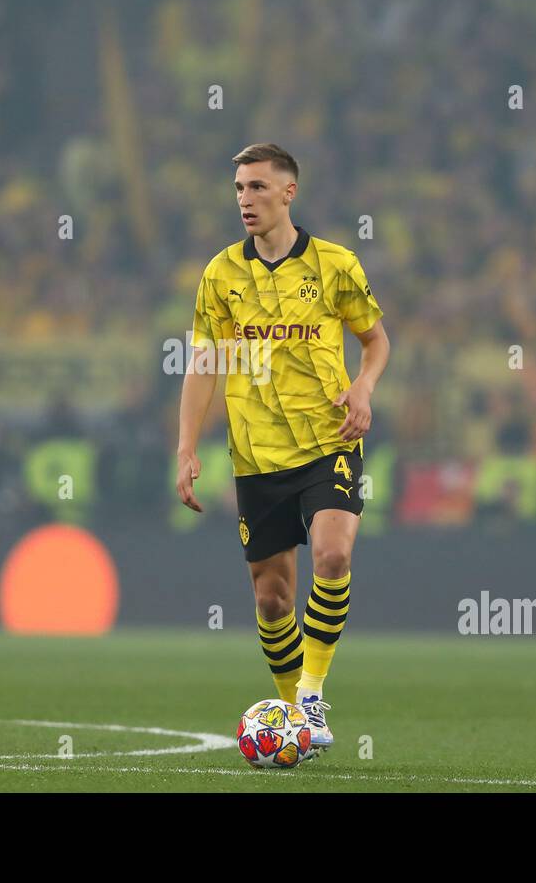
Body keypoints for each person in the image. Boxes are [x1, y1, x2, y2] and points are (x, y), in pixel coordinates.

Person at [174, 143, 391, 759]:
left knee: (332, 556)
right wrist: (187, 446)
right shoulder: (220, 275)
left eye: (258, 187)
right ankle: (294, 709)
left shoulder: (334, 264)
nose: (245, 199)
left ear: (289, 192)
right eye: (239, 188)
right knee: (271, 598)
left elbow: (376, 343)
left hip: (329, 440)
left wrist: (363, 388)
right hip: (256, 457)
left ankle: (312, 695)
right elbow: (204, 365)